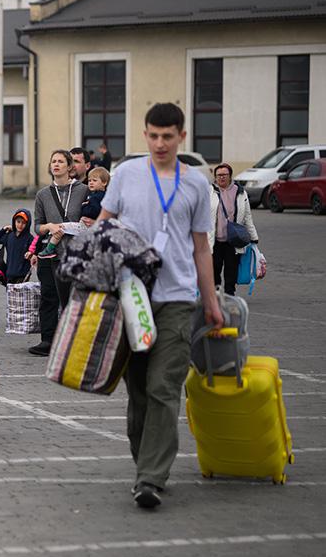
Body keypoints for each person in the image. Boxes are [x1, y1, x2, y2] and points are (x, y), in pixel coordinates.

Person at [99, 102, 222, 509]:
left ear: (181, 137)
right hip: (132, 297)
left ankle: (150, 477)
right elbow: (104, 228)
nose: (159, 143)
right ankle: (145, 467)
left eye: (167, 136)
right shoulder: (126, 175)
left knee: (162, 386)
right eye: (153, 135)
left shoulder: (196, 184)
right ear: (145, 133)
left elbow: (202, 248)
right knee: (137, 390)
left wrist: (211, 301)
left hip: (177, 299)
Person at [27, 149, 89, 356]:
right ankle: (47, 340)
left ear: (70, 167)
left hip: (75, 254)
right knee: (48, 297)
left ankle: (74, 341)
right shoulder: (43, 194)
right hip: (49, 252)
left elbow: (92, 217)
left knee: (72, 299)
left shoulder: (83, 190)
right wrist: (49, 227)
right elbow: (37, 226)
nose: (56, 164)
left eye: (61, 161)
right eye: (53, 161)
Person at [208, 163, 258, 296]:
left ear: (230, 176)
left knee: (231, 270)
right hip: (214, 241)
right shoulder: (209, 192)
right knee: (214, 269)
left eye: (224, 175)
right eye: (219, 175)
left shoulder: (240, 192)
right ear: (215, 177)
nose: (222, 178)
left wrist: (254, 237)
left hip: (234, 240)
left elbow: (247, 216)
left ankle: (230, 295)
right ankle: (216, 295)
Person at [0, 208, 34, 284]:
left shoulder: (29, 238)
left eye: (23, 223)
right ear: (14, 222)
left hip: (22, 274)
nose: (20, 225)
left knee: (20, 295)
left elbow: (34, 249)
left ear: (27, 224)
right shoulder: (9, 235)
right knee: (10, 295)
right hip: (9, 273)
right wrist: (4, 229)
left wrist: (30, 253)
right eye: (18, 222)